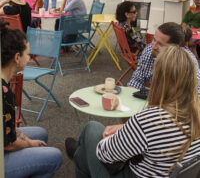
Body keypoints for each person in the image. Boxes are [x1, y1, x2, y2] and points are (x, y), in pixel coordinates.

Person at [65, 46, 200, 178]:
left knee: (92, 128)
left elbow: (105, 155)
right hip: (161, 171)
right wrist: (126, 130)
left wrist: (113, 138)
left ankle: (79, 150)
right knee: (83, 153)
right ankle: (80, 151)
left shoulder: (150, 120)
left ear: (160, 80)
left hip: (133, 172)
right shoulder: (195, 114)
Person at [1, 20, 63, 178]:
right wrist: (29, 144)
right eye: (27, 54)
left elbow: (8, 129)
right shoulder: (4, 92)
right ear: (17, 57)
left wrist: (28, 141)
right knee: (55, 156)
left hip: (4, 143)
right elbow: (8, 145)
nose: (29, 58)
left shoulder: (4, 84)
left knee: (40, 133)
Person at [127, 22, 200, 95]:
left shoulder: (189, 65)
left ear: (176, 48)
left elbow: (196, 98)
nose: (154, 46)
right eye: (154, 40)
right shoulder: (150, 50)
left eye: (160, 44)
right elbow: (137, 79)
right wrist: (129, 96)